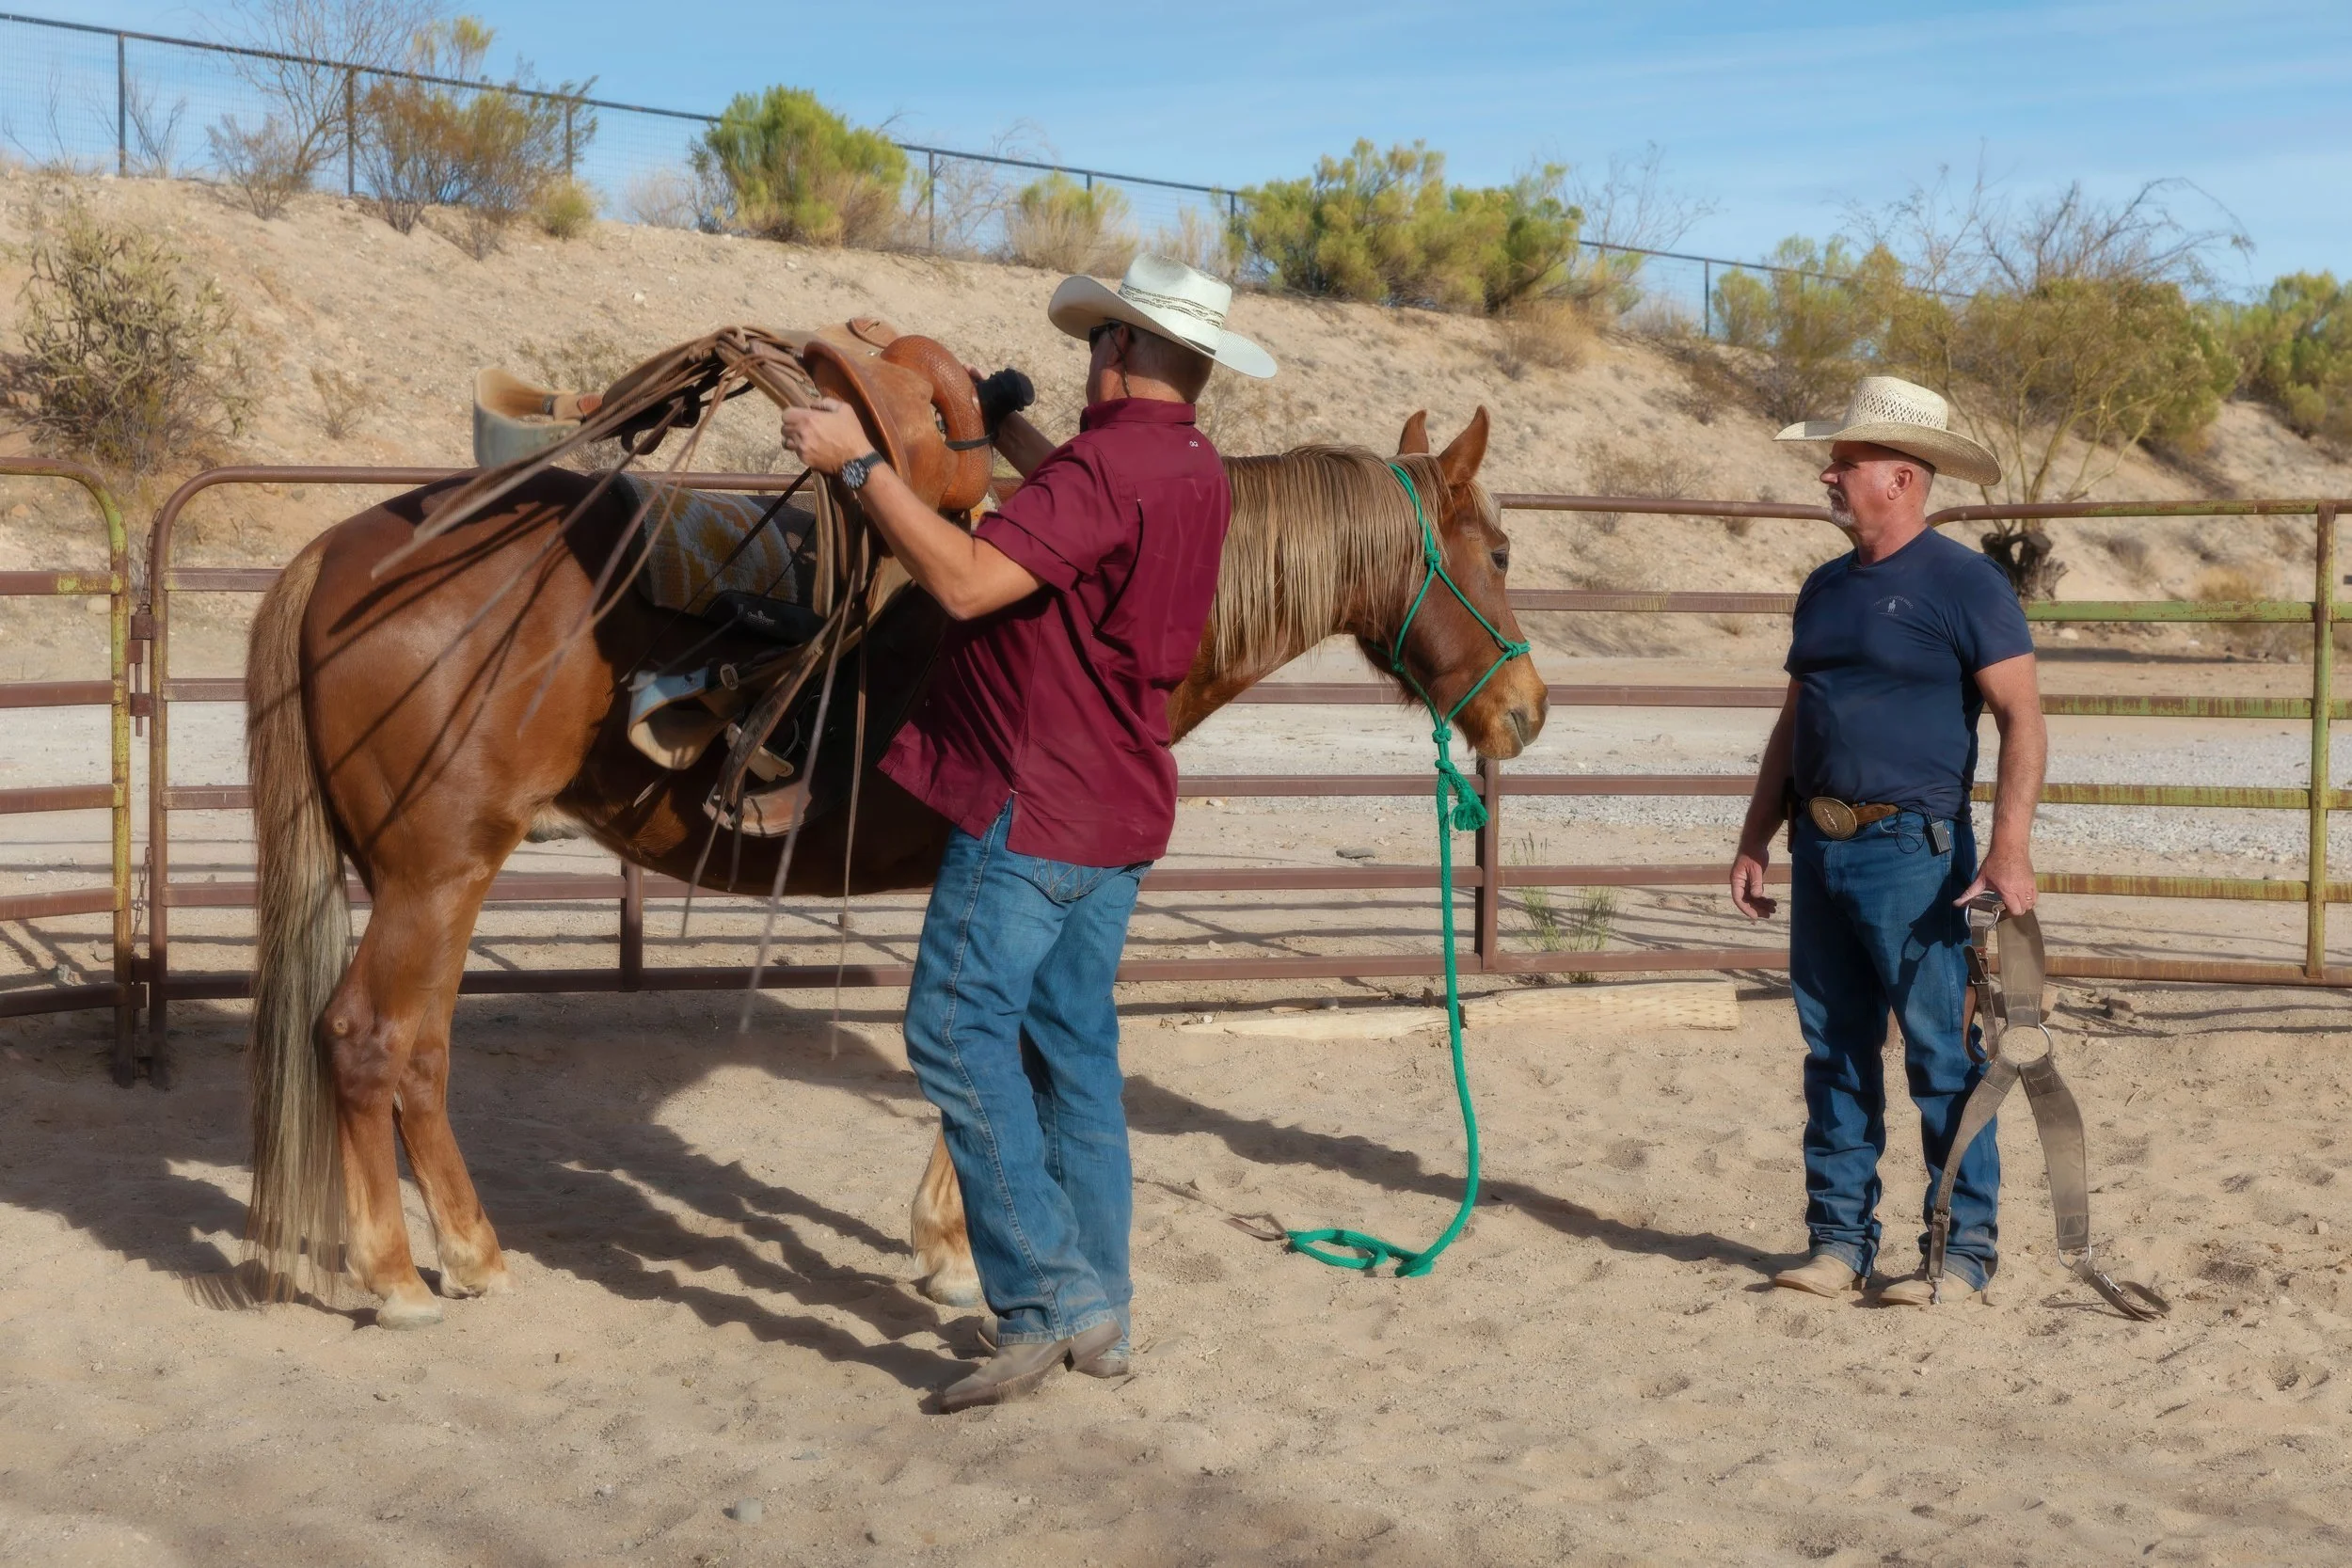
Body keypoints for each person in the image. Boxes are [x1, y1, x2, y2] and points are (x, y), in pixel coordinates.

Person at [780, 255, 1277, 1408]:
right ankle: (1099, 1302)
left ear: (1114, 350)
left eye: (1095, 344)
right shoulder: (1194, 467)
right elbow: (1084, 511)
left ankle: (1048, 1299)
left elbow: (960, 581)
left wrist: (853, 466)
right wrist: (1011, 435)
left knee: (954, 1031)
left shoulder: (1109, 466)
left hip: (1032, 800)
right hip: (1116, 801)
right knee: (1071, 1050)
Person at [1726, 375, 2046, 1307]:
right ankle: (1837, 1242)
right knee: (1831, 1050)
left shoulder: (1965, 585)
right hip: (1819, 849)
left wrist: (2009, 848)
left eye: (1847, 461)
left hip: (1915, 853)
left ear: (1901, 478)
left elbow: (2021, 716)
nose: (1829, 474)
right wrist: (1757, 834)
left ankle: (1958, 1249)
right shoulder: (1822, 589)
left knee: (1943, 1058)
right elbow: (1795, 722)